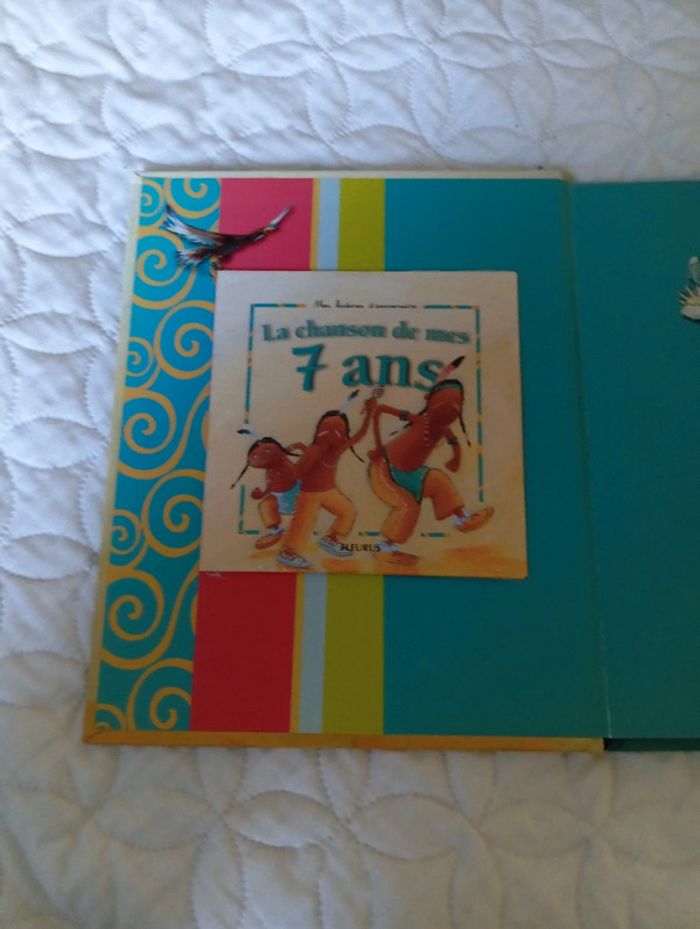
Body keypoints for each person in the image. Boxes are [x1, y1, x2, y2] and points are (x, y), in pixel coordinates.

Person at [368, 376, 493, 566]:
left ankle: (462, 519)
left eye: (456, 403)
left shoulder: (443, 430)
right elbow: (380, 410)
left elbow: (454, 443)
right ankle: (384, 548)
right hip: (384, 470)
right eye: (444, 400)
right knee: (408, 506)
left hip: (412, 473)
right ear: (429, 400)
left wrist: (456, 460)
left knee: (439, 480)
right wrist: (378, 449)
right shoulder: (418, 420)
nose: (450, 407)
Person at [277, 397, 377, 570]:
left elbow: (360, 435)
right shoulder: (315, 450)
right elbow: (296, 473)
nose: (334, 434)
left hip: (329, 491)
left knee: (348, 511)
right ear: (319, 432)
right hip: (310, 494)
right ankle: (288, 553)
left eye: (339, 430)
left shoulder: (338, 448)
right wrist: (286, 460)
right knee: (303, 524)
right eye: (327, 429)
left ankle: (331, 538)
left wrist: (369, 412)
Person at [231, 436, 304, 550]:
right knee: (265, 506)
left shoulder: (284, 460)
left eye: (267, 450)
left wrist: (302, 449)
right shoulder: (270, 470)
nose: (258, 457)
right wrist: (261, 494)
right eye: (254, 454)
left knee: (304, 516)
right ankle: (275, 532)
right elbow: (271, 486)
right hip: (278, 499)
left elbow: (300, 453)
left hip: (297, 495)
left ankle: (297, 536)